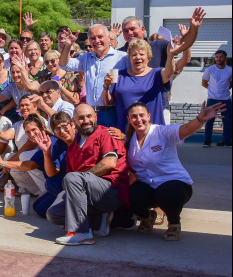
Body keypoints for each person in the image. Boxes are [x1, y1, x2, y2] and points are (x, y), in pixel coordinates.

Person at [127, 101, 224, 240]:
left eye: (141, 115)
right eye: (134, 116)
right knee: (128, 195)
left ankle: (174, 223)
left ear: (148, 116)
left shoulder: (162, 132)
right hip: (148, 186)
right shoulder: (129, 140)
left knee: (167, 193)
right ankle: (147, 217)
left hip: (175, 185)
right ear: (129, 120)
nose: (138, 119)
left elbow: (185, 129)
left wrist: (200, 119)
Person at [47, 104, 130, 246]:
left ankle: (82, 233)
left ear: (95, 117)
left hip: (110, 190)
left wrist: (80, 179)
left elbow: (110, 163)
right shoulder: (73, 147)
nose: (86, 120)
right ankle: (99, 219)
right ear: (74, 122)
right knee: (53, 214)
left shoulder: (106, 134)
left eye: (89, 116)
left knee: (73, 178)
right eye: (81, 118)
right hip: (88, 194)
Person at [58, 24, 128, 128]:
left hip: (112, 112)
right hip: (91, 114)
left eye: (100, 37)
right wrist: (68, 45)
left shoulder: (122, 58)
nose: (97, 40)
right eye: (93, 38)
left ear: (108, 38)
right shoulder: (86, 58)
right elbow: (64, 64)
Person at [102, 39, 174, 132]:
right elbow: (106, 102)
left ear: (148, 57)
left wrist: (171, 54)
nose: (138, 57)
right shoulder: (119, 75)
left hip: (153, 133)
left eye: (142, 54)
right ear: (129, 58)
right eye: (134, 54)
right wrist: (106, 87)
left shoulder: (156, 74)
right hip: (125, 134)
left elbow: (169, 73)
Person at [0, 114, 51, 199]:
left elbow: (30, 165)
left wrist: (4, 163)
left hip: (57, 182)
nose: (31, 134)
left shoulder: (50, 140)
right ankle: (35, 191)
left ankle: (46, 191)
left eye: (34, 130)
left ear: (42, 128)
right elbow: (6, 136)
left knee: (24, 156)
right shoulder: (18, 124)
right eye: (27, 132)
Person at [202, 50, 232, 147]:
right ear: (215, 58)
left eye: (221, 57)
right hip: (212, 99)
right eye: (217, 57)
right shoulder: (210, 70)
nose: (219, 59)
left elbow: (231, 84)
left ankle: (226, 141)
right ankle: (207, 141)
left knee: (227, 121)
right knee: (209, 121)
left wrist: (223, 91)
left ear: (225, 58)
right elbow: (204, 83)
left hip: (226, 99)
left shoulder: (230, 70)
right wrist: (213, 90)